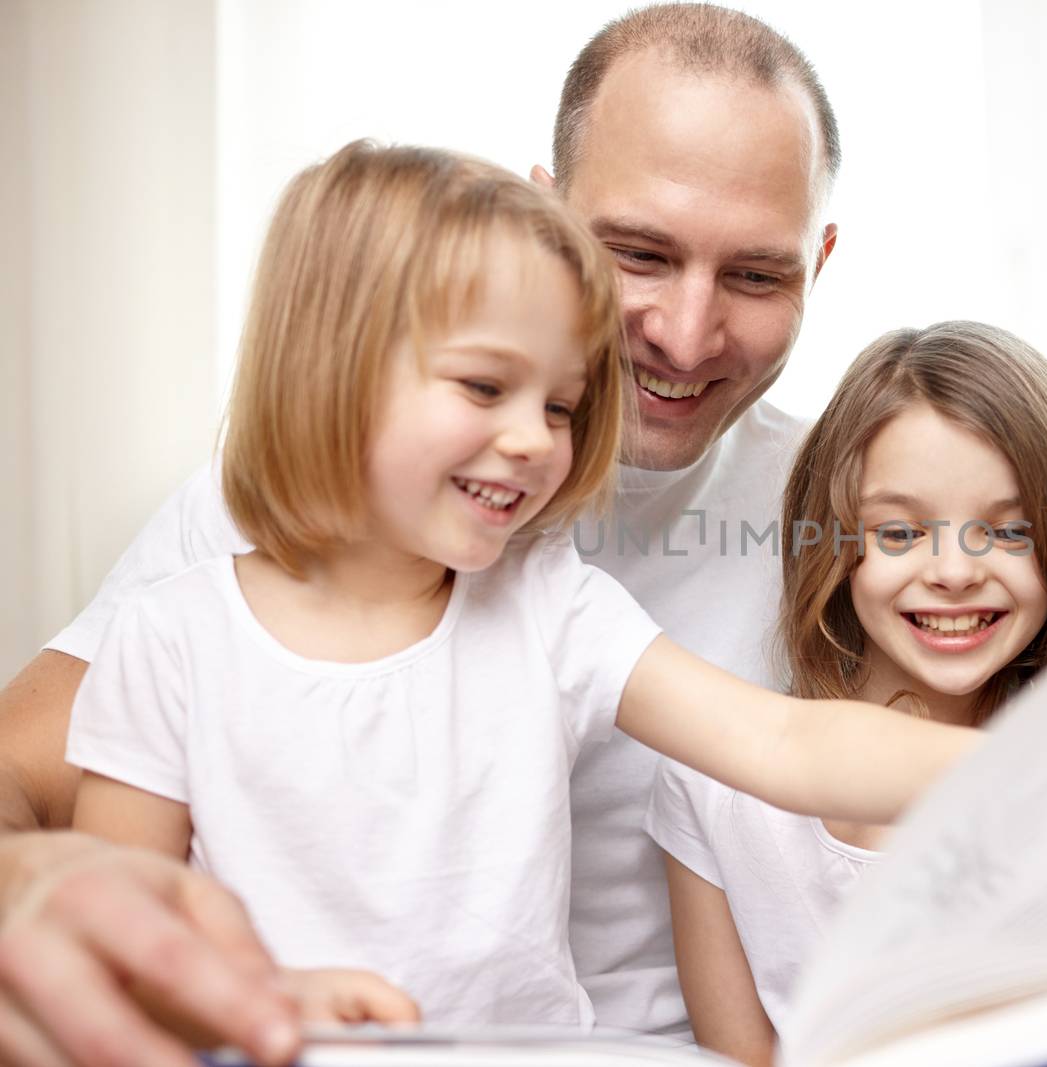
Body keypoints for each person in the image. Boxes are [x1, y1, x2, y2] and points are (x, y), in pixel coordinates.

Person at [0, 6, 842, 1062]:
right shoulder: (320, 504)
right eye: (636, 252)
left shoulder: (854, 506)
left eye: (757, 275)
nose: (684, 330)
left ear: (821, 258)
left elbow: (842, 766)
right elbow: (35, 784)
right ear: (548, 217)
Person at [65, 138, 983, 1029]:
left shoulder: (547, 604)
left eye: (559, 404)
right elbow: (119, 941)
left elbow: (783, 742)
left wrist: (1032, 770)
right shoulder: (168, 641)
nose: (537, 441)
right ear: (327, 371)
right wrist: (263, 1004)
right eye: (482, 387)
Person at [643, 321, 1047, 1065]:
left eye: (1011, 531)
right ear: (836, 548)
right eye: (899, 534)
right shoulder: (714, 793)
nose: (955, 571)